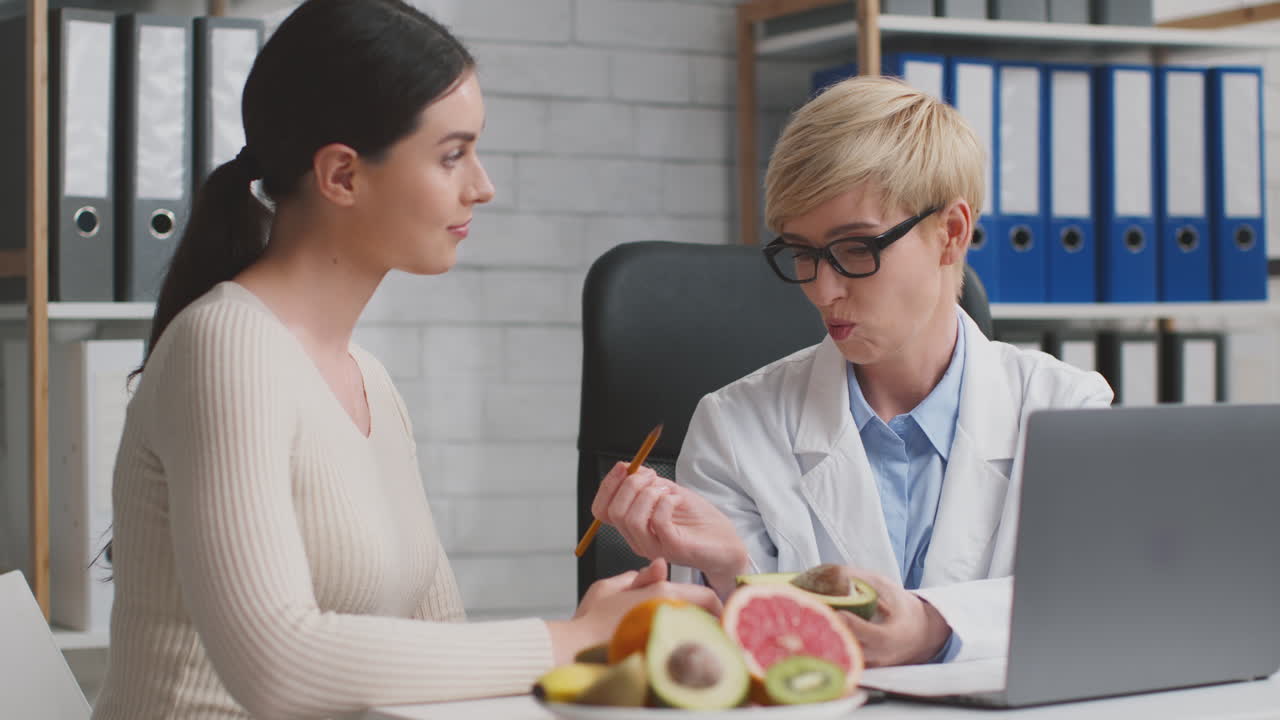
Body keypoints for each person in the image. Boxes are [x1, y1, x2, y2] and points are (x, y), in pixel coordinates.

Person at [91, 1, 717, 717]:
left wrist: (598, 639)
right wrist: (571, 639)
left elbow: (434, 645)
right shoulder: (225, 345)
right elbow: (277, 666)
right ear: (342, 176)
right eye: (452, 155)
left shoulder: (370, 382)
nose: (482, 186)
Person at [590, 76, 1113, 668]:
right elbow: (711, 660)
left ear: (951, 233)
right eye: (803, 253)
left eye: (856, 248)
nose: (822, 290)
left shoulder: (1065, 409)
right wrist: (731, 570)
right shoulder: (733, 427)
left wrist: (934, 628)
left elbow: (1095, 604)